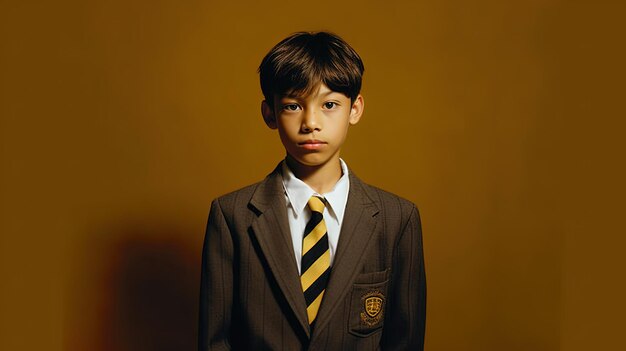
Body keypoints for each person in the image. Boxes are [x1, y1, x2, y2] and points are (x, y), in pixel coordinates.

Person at [198, 31, 426, 350]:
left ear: (355, 109)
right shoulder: (232, 215)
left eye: (329, 104)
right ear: (270, 113)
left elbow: (405, 340)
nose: (311, 122)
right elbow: (215, 340)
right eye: (293, 106)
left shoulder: (397, 219)